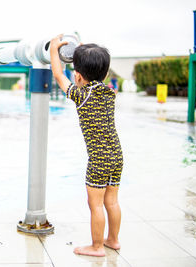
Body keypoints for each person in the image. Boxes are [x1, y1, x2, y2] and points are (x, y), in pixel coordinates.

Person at [50, 35, 123, 257]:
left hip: (99, 159)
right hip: (116, 155)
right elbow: (92, 70)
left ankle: (97, 246)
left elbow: (58, 74)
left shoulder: (81, 95)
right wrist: (82, 51)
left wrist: (54, 49)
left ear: (79, 76)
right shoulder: (110, 92)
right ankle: (113, 240)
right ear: (106, 74)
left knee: (96, 205)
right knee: (112, 201)